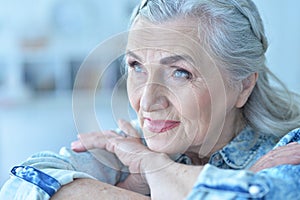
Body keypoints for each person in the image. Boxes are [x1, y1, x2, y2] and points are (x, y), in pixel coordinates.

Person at [1, 0, 300, 199]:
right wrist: (142, 179)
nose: (147, 102)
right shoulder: (132, 143)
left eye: (181, 73)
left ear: (244, 86)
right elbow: (20, 187)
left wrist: (156, 169)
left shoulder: (291, 149)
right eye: (136, 67)